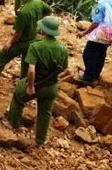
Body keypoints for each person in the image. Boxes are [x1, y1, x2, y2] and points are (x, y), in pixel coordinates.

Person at [7, 16, 68, 145]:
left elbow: (31, 70)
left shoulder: (36, 46)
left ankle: (14, 124)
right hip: (51, 87)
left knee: (18, 97)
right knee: (45, 111)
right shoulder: (63, 49)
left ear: (43, 30)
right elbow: (64, 68)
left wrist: (30, 86)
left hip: (35, 83)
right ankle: (40, 139)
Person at [77, 0, 112, 85]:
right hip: (109, 34)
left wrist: (84, 32)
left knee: (89, 55)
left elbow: (96, 22)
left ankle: (89, 77)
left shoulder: (102, 4)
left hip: (100, 35)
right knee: (100, 55)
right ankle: (96, 74)